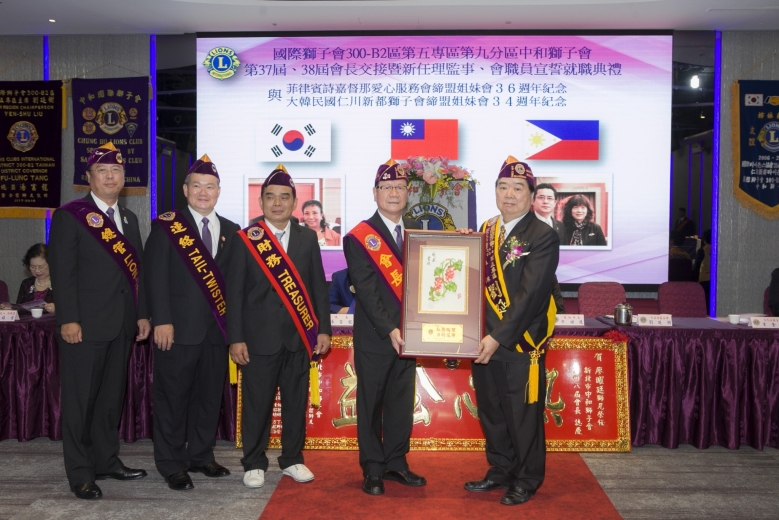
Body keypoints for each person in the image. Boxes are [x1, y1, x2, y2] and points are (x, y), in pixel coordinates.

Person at [49, 142, 151, 500]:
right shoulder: (70, 215)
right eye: (102, 171)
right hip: (84, 326)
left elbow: (137, 274)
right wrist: (69, 319)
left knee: (110, 399)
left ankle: (106, 461)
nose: (110, 176)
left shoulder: (129, 219)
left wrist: (141, 314)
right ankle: (80, 472)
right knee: (80, 402)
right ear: (89, 177)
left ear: (124, 177)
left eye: (116, 170)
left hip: (121, 324)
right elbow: (63, 273)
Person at [227, 164, 331, 490]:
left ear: (294, 202)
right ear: (260, 202)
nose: (277, 203)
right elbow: (234, 292)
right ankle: (254, 462)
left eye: (284, 197)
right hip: (258, 337)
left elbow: (318, 287)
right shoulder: (246, 238)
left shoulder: (307, 238)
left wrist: (323, 329)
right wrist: (235, 337)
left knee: (295, 401)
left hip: (298, 336)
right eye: (270, 197)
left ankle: (292, 458)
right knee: (256, 403)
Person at [463, 156, 559, 506]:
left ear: (531, 195)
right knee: (492, 412)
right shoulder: (487, 229)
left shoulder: (543, 236)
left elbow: (529, 296)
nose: (509, 194)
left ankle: (526, 478)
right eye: (503, 187)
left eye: (518, 188)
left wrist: (497, 337)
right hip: (482, 341)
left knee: (522, 415)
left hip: (519, 342)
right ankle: (501, 469)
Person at [144, 154, 240, 491]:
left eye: (210, 187)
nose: (203, 192)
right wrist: (162, 320)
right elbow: (154, 277)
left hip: (216, 332)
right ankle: (171, 464)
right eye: (197, 185)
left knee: (208, 398)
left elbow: (235, 285)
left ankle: (201, 455)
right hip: (177, 330)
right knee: (173, 399)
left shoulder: (232, 231)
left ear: (218, 191)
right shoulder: (167, 226)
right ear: (185, 190)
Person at [344, 159, 425, 496]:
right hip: (378, 337)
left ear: (408, 193)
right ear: (375, 193)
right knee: (371, 403)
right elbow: (367, 292)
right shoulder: (359, 237)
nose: (394, 193)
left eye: (400, 187)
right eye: (387, 187)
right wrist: (391, 329)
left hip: (411, 336)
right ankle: (373, 468)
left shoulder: (418, 233)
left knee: (400, 402)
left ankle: (396, 462)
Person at [0, 243, 55, 313]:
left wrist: (57, 309)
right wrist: (10, 309)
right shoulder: (26, 283)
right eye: (33, 266)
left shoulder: (60, 284)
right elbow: (19, 308)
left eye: (41, 267)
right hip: (28, 320)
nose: (37, 270)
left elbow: (68, 308)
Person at [698, 230, 712, 314]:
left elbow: (697, 266)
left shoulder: (702, 250)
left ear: (704, 240)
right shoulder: (719, 249)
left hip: (704, 280)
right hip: (716, 280)